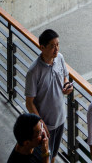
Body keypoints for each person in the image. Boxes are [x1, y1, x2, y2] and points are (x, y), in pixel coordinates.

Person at [25, 29, 74, 163]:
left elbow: (65, 76)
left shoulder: (60, 58)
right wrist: (41, 124)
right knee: (43, 157)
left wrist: (67, 85)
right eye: (52, 46)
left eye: (58, 44)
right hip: (46, 125)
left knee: (53, 155)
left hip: (60, 119)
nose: (56, 49)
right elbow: (29, 103)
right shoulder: (34, 72)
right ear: (42, 47)